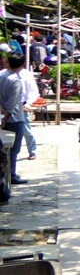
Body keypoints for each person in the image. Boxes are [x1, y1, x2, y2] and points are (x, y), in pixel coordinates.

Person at [0, 53, 29, 184]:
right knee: (13, 149)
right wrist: (5, 118)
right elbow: (11, 104)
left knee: (3, 148)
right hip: (14, 118)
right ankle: (11, 175)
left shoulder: (1, 75)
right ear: (22, 65)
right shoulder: (15, 80)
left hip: (2, 114)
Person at [14, 63, 39, 160]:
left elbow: (33, 91)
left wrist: (28, 103)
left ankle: (32, 151)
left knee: (26, 130)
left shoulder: (26, 74)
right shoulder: (3, 74)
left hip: (22, 105)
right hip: (7, 105)